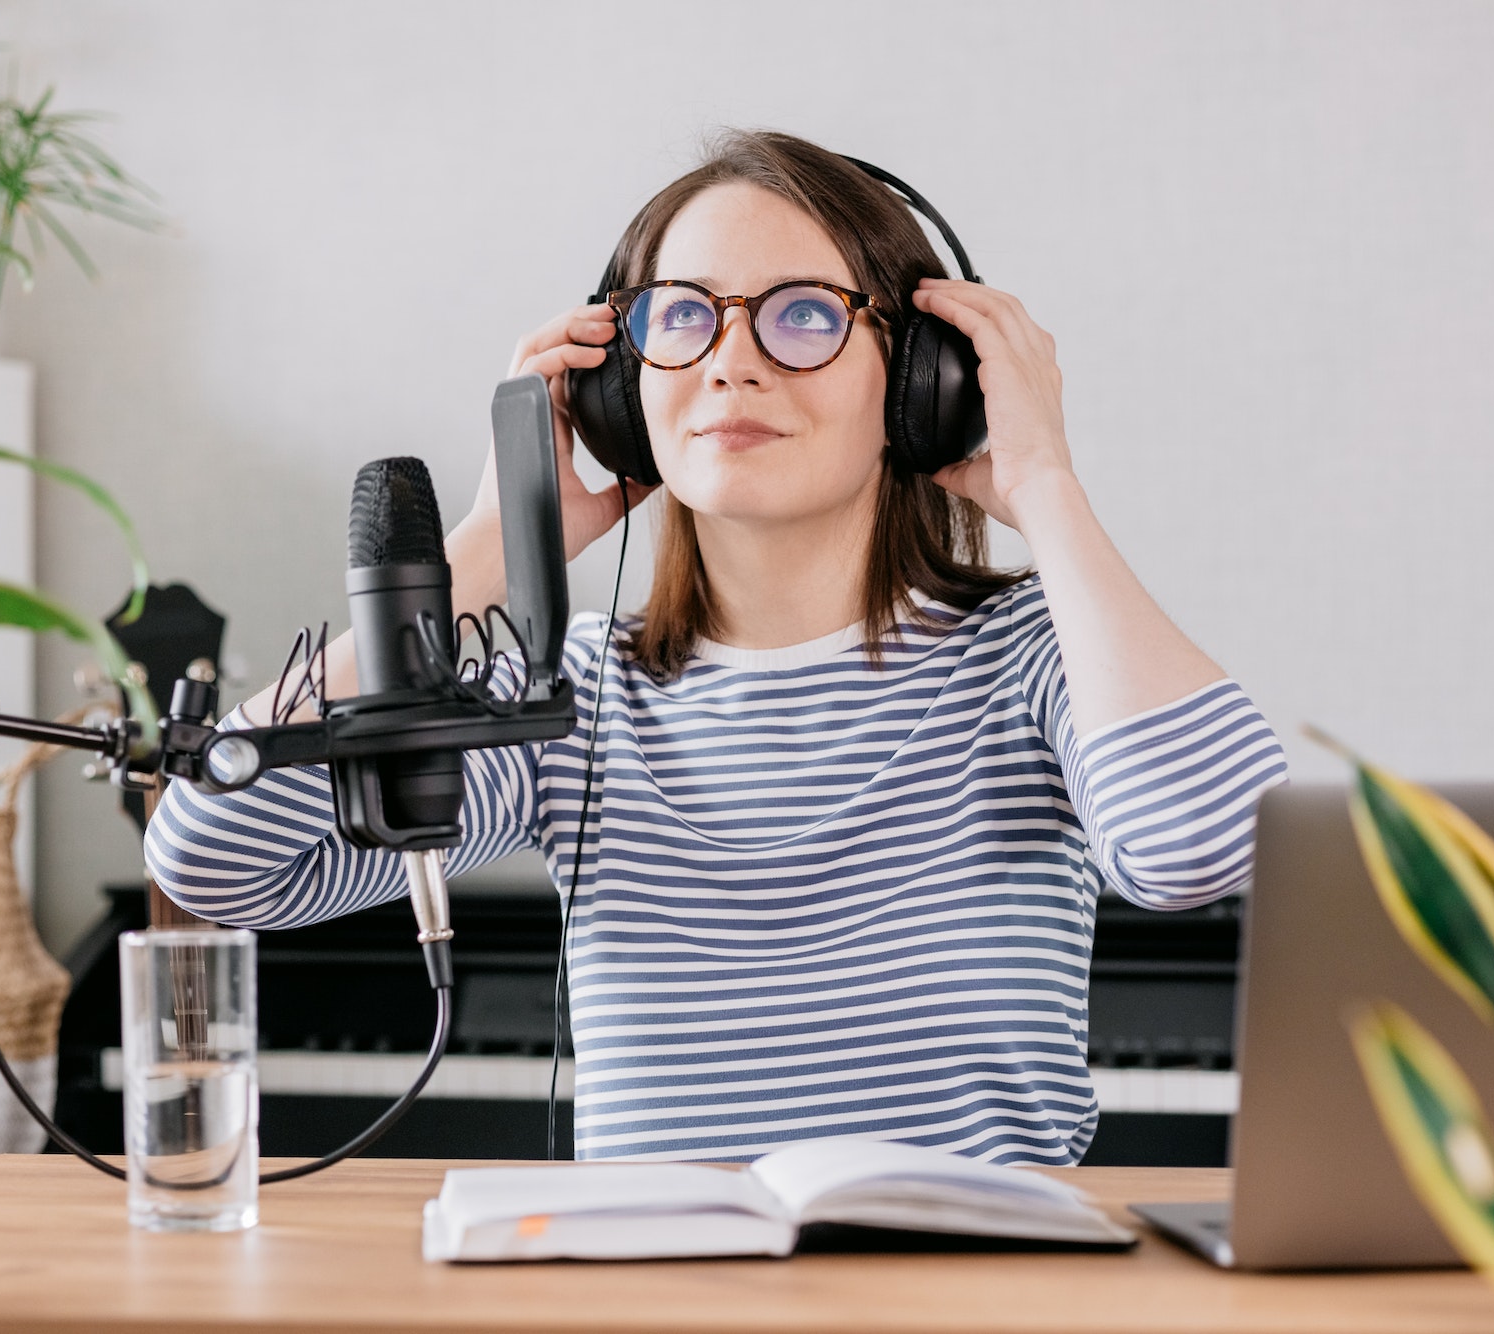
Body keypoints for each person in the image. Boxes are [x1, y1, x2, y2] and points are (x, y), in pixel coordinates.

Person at [145, 130, 1288, 1165]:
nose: (728, 362)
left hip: (965, 1297)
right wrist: (484, 556)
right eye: (682, 315)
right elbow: (210, 856)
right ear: (614, 387)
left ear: (922, 383)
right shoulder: (570, 691)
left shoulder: (1035, 659)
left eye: (801, 315)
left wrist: (1044, 488)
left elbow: (1202, 847)